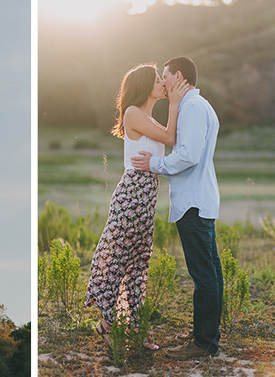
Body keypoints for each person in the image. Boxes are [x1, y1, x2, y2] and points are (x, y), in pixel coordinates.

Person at [85, 63, 190, 352]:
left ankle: (133, 327)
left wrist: (178, 104)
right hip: (132, 195)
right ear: (145, 86)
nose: (162, 84)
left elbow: (173, 136)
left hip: (146, 197)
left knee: (138, 264)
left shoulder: (148, 118)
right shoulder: (133, 113)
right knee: (120, 259)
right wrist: (177, 102)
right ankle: (108, 325)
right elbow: (170, 138)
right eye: (158, 80)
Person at [131, 56, 222, 359]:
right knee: (210, 272)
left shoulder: (192, 108)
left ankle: (204, 343)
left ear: (178, 76)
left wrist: (154, 164)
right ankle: (206, 336)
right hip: (199, 198)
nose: (164, 82)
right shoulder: (196, 106)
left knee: (204, 275)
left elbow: (188, 155)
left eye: (165, 76)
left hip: (193, 202)